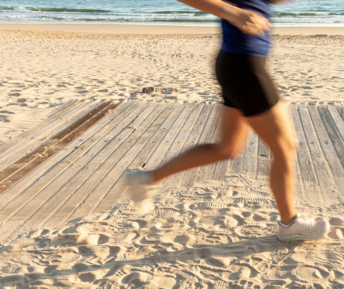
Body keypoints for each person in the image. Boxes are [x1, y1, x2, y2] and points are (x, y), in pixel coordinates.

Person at [126, 0, 329, 242]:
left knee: (227, 148)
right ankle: (289, 224)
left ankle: (146, 179)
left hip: (237, 63)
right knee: (285, 146)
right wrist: (233, 12)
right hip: (244, 67)